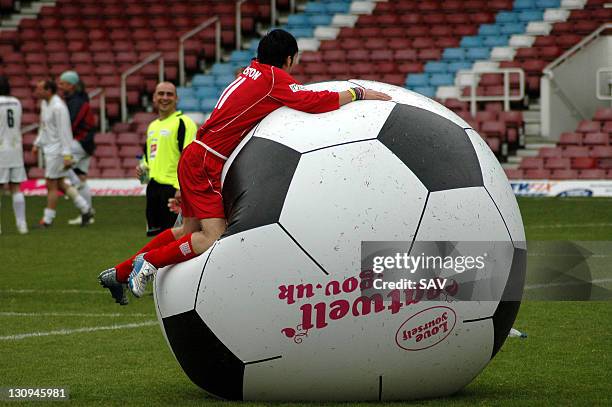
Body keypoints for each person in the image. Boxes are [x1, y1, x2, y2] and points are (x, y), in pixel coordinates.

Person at [98, 29, 391, 304]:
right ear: (288, 59)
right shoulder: (274, 78)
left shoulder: (251, 72)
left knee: (188, 228)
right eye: (294, 61)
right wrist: (358, 93)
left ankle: (120, 273)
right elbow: (311, 101)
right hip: (205, 161)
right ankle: (148, 263)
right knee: (211, 235)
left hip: (195, 155)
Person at [32, 79, 93, 227]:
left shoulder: (58, 107)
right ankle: (85, 209)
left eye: (40, 88)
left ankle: (47, 219)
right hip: (50, 149)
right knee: (59, 183)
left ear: (48, 91)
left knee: (50, 184)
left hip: (57, 151)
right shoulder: (45, 104)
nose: (36, 91)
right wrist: (37, 143)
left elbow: (65, 132)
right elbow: (44, 127)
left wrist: (67, 155)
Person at [139, 82, 197, 236]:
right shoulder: (152, 126)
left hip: (173, 190)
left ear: (176, 99)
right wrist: (143, 170)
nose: (165, 98)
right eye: (161, 94)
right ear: (154, 98)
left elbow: (189, 157)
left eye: (169, 94)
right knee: (156, 238)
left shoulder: (184, 123)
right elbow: (148, 156)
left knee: (175, 238)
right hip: (153, 188)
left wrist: (180, 187)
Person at [57, 71, 97, 226]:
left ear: (71, 85)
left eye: (63, 83)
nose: (60, 86)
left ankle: (76, 187)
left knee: (59, 161)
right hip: (87, 143)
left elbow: (71, 123)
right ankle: (87, 213)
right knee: (81, 176)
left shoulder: (76, 102)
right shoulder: (77, 100)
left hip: (81, 142)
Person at [0, 75, 28, 235]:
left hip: (1, 150)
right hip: (16, 149)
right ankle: (21, 225)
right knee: (16, 187)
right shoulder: (17, 102)